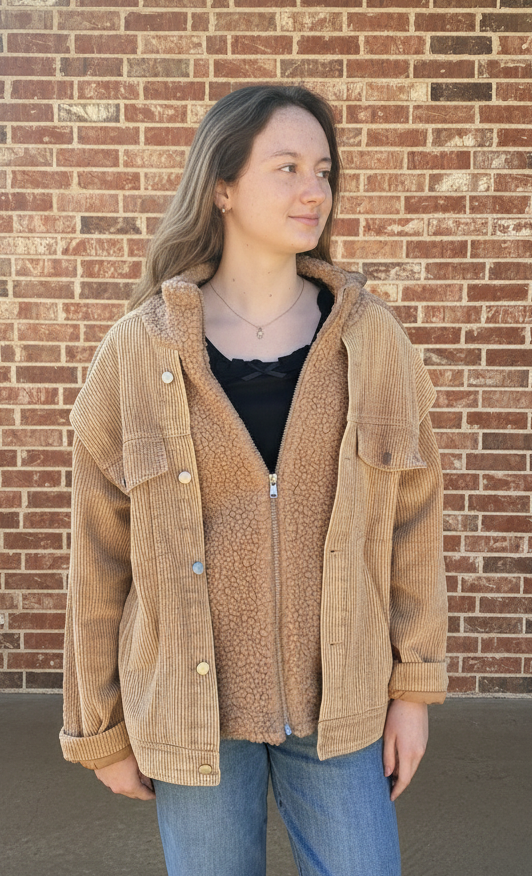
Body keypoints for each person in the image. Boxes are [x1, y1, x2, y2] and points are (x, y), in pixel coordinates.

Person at [59, 85, 448, 876]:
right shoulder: (138, 351)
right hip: (191, 710)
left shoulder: (374, 341)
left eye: (324, 171)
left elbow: (414, 520)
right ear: (223, 187)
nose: (315, 191)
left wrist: (413, 691)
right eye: (288, 167)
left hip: (341, 708)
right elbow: (98, 555)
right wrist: (99, 728)